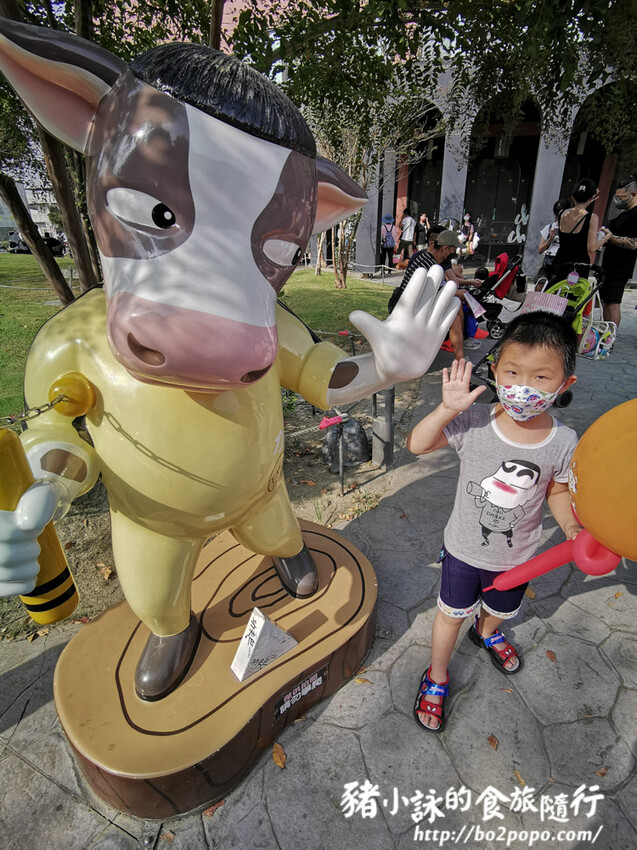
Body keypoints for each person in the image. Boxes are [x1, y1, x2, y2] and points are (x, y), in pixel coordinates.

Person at [406, 311, 580, 732]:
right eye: (513, 371)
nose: (524, 385)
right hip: (464, 549)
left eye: (541, 377)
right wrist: (445, 411)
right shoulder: (475, 420)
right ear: (496, 369)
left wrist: (572, 528)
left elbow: (556, 490)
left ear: (564, 385)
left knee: (502, 609)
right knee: (450, 615)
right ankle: (438, 676)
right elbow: (417, 445)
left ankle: (486, 633)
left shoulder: (564, 440)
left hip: (519, 556)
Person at [388, 228, 479, 359]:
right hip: (407, 306)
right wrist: (461, 293)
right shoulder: (427, 262)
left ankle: (461, 357)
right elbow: (438, 290)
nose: (455, 253)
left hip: (419, 303)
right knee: (455, 311)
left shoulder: (432, 261)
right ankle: (461, 356)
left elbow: (442, 287)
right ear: (445, 249)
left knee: (455, 309)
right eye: (454, 249)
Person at [599, 175, 637, 329]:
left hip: (621, 267)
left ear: (633, 194)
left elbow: (634, 243)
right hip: (610, 265)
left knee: (613, 302)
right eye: (617, 197)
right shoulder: (624, 214)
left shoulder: (635, 215)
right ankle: (605, 332)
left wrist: (611, 237)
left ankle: (610, 337)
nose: (618, 200)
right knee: (606, 301)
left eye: (622, 197)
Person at [552, 178, 609, 270]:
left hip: (559, 262)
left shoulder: (562, 213)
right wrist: (606, 237)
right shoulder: (592, 218)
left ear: (573, 197)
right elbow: (591, 248)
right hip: (578, 265)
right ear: (591, 198)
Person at [535, 199, 570, 285]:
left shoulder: (571, 230)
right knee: (541, 286)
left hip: (562, 262)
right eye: (556, 214)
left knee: (557, 287)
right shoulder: (549, 227)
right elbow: (540, 250)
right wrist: (550, 239)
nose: (557, 217)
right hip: (549, 261)